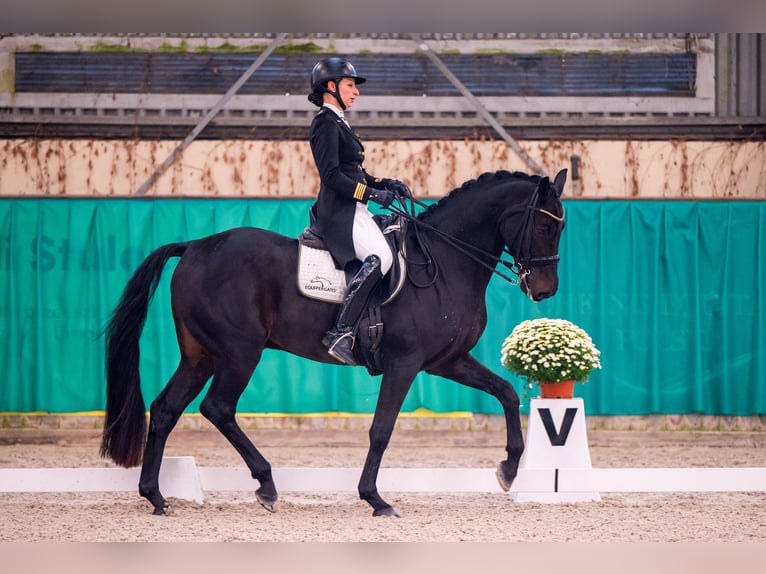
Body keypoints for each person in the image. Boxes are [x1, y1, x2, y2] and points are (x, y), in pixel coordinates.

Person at [307, 57, 411, 366]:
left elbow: (354, 171)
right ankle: (340, 332)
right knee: (382, 258)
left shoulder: (339, 121)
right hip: (339, 214)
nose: (356, 92)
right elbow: (333, 176)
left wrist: (384, 183)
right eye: (351, 86)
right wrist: (370, 193)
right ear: (331, 86)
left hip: (355, 208)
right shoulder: (324, 123)